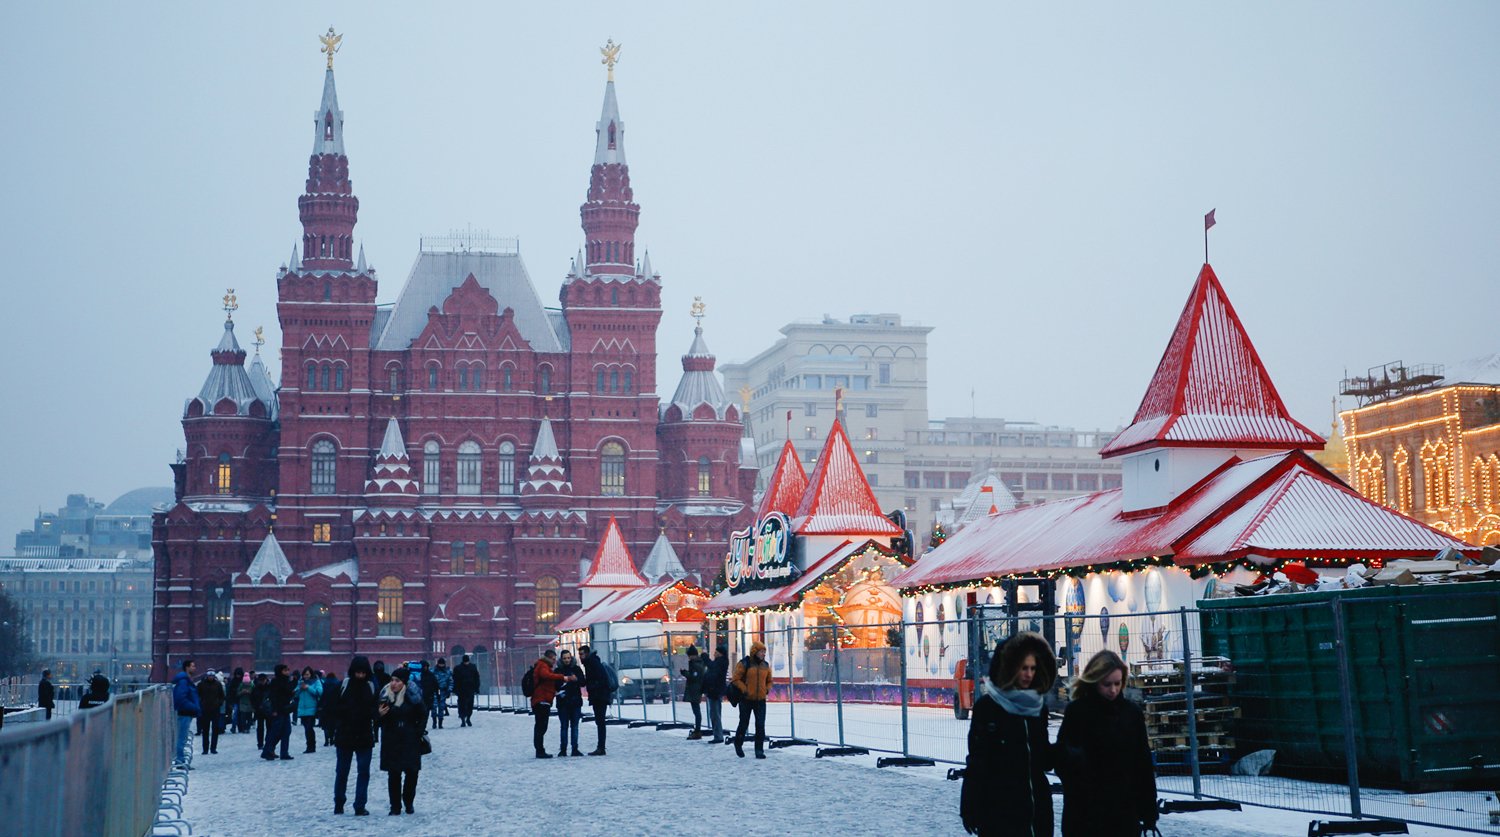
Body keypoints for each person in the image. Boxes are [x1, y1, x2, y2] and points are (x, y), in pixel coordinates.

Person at [960, 632, 1057, 837]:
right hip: (1000, 811)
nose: (1028, 674)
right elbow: (978, 760)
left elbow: (1042, 758)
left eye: (1032, 668)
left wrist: (1066, 750)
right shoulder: (988, 708)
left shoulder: (1038, 707)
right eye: (1023, 668)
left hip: (1035, 808)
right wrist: (970, 804)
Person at [1055, 650, 1158, 837]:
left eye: (1117, 684)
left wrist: (1149, 811)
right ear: (1094, 682)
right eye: (1107, 684)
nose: (1113, 690)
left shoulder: (1131, 713)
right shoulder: (1078, 712)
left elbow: (1142, 763)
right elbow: (1063, 761)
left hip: (1123, 812)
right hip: (1085, 813)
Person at [333, 656, 379, 816]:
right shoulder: (344, 685)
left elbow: (376, 709)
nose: (360, 675)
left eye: (363, 673)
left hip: (364, 735)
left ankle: (360, 805)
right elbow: (333, 707)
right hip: (345, 735)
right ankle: (339, 803)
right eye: (358, 672)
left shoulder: (371, 686)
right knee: (342, 772)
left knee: (363, 772)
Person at [378, 667, 427, 815]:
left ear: (404, 682)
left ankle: (408, 800)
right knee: (394, 774)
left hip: (410, 739)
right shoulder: (385, 696)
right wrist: (379, 715)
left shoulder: (414, 697)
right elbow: (378, 721)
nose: (393, 683)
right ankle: (395, 806)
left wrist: (417, 732)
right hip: (391, 739)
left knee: (412, 773)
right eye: (392, 680)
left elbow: (423, 714)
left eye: (397, 681)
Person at [730, 641, 772, 759]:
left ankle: (759, 750)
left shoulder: (765, 666)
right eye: (761, 651)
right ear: (755, 652)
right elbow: (736, 679)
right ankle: (738, 743)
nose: (764, 654)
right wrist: (744, 690)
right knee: (744, 723)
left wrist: (767, 689)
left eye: (764, 652)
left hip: (760, 700)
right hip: (746, 699)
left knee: (760, 725)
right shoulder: (744, 663)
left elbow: (769, 681)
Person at [529, 649, 571, 759]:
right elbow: (546, 676)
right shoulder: (543, 666)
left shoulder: (543, 665)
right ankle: (539, 750)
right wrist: (563, 677)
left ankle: (540, 749)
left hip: (543, 700)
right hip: (541, 701)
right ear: (548, 658)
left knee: (541, 726)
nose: (554, 661)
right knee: (541, 726)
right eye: (553, 659)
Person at [580, 645, 615, 756]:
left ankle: (601, 748)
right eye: (579, 654)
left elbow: (600, 679)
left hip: (600, 696)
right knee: (600, 722)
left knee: (600, 722)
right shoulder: (591, 662)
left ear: (586, 653)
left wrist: (591, 686)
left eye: (582, 654)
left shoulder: (592, 663)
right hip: (599, 696)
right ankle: (601, 747)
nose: (580, 656)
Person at [260, 663, 296, 761]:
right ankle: (267, 751)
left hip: (285, 709)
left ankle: (282, 752)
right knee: (276, 732)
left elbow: (287, 693)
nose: (288, 672)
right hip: (279, 710)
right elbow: (274, 697)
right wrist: (275, 710)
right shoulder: (276, 682)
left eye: (288, 670)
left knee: (286, 731)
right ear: (280, 671)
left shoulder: (286, 681)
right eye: (285, 670)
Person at [553, 649, 585, 756]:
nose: (567, 660)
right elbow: (555, 685)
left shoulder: (576, 669)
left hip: (575, 702)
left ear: (571, 658)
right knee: (564, 726)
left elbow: (583, 682)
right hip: (563, 703)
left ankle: (574, 749)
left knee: (574, 726)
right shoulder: (558, 671)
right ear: (561, 659)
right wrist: (566, 680)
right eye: (564, 658)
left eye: (568, 658)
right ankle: (563, 749)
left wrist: (576, 679)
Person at [171, 659, 201, 769]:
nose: (195, 668)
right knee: (182, 738)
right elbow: (180, 698)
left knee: (182, 737)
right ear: (187, 667)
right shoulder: (184, 681)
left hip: (186, 712)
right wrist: (194, 707)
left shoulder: (185, 680)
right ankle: (180, 761)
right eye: (193, 666)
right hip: (185, 712)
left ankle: (181, 760)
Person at [197, 668, 226, 755]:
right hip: (205, 709)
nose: (211, 677)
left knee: (215, 730)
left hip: (215, 709)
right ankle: (205, 749)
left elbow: (222, 696)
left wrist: (219, 703)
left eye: (212, 676)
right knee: (205, 730)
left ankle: (213, 748)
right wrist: (201, 703)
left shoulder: (218, 685)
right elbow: (198, 695)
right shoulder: (201, 684)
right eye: (209, 676)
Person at [295, 666, 324, 753]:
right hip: (302, 709)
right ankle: (309, 746)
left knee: (309, 728)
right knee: (306, 729)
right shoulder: (300, 683)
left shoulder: (316, 682)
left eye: (307, 674)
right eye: (304, 674)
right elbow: (295, 694)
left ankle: (312, 746)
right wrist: (300, 688)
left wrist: (308, 688)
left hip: (312, 709)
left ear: (311, 674)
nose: (306, 676)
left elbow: (319, 692)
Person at [704, 645, 729, 743]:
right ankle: (717, 735)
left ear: (720, 653)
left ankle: (718, 736)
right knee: (714, 713)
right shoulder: (720, 662)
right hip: (714, 690)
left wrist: (705, 657)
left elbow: (712, 667)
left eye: (716, 652)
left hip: (715, 690)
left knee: (715, 714)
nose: (714, 654)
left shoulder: (721, 662)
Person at [681, 646, 707, 739]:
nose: (688, 658)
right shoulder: (698, 663)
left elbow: (694, 677)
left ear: (692, 655)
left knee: (696, 711)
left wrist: (685, 673)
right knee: (696, 711)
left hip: (694, 690)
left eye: (689, 656)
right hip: (696, 689)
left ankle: (697, 731)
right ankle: (697, 730)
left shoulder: (695, 664)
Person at [452, 654, 480, 727]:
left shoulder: (472, 667)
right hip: (461, 690)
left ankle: (468, 718)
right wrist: (455, 689)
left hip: (470, 689)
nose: (466, 663)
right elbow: (455, 679)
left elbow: (476, 678)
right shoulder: (458, 668)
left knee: (469, 705)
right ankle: (463, 720)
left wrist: (477, 688)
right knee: (462, 705)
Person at [319, 669, 341, 745]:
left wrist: (320, 705)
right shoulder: (337, 683)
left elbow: (322, 695)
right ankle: (332, 739)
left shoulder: (324, 684)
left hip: (326, 707)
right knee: (334, 724)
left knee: (326, 725)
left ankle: (326, 740)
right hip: (335, 707)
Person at [250, 672, 271, 748]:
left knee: (269, 727)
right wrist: (255, 707)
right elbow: (252, 698)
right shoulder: (256, 688)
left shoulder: (270, 688)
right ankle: (260, 743)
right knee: (260, 727)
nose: (262, 682)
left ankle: (268, 741)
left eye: (263, 680)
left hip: (268, 710)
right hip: (259, 710)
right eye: (261, 680)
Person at [432, 657, 453, 729]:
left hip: (443, 691)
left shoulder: (448, 671)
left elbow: (451, 681)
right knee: (434, 707)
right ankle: (434, 722)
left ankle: (440, 723)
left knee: (441, 707)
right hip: (434, 691)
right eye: (440, 664)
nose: (441, 665)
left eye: (442, 664)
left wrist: (449, 690)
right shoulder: (433, 671)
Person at [225, 667, 245, 733]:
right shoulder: (233, 681)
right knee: (236, 715)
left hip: (241, 700)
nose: (238, 676)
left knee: (239, 715)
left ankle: (240, 727)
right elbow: (229, 692)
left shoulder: (241, 681)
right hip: (236, 700)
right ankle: (234, 727)